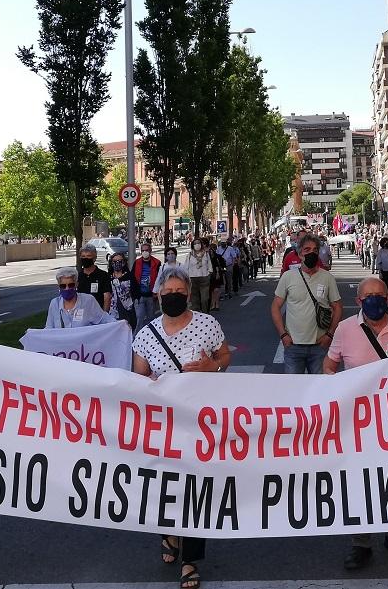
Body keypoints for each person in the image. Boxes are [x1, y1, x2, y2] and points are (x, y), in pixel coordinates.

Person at [132, 272, 231, 589]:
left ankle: (190, 560)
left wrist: (210, 367)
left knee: (195, 489)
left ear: (188, 293)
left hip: (200, 422)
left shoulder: (206, 324)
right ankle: (169, 533)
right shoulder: (146, 334)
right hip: (163, 425)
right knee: (163, 486)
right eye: (167, 290)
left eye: (179, 290)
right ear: (159, 295)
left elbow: (224, 357)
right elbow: (139, 378)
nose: (173, 294)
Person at [324, 278, 388, 570]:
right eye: (368, 296)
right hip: (358, 421)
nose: (374, 300)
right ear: (360, 300)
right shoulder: (345, 329)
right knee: (360, 481)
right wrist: (333, 392)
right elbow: (330, 365)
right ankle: (360, 543)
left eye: (379, 295)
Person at [271, 234, 342, 374]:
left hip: (319, 346)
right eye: (307, 250)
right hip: (293, 346)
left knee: (319, 389)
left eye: (315, 250)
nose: (311, 253)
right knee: (293, 389)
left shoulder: (327, 277)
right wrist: (283, 335)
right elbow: (275, 306)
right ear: (300, 254)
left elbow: (338, 307)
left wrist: (329, 335)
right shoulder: (288, 277)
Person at [45, 267, 114, 328]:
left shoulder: (88, 300)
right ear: (59, 286)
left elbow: (104, 319)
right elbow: (49, 328)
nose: (67, 288)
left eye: (71, 285)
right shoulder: (54, 304)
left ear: (76, 284)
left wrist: (121, 324)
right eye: (63, 286)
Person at [132, 243, 161, 331]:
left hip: (152, 296)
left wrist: (156, 293)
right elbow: (133, 278)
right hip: (140, 295)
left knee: (151, 318)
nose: (145, 252)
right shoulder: (137, 262)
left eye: (146, 250)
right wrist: (135, 295)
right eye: (143, 250)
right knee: (139, 318)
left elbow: (160, 278)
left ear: (150, 251)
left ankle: (152, 336)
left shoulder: (157, 263)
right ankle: (137, 336)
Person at [183, 238, 214, 313]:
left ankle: (205, 313)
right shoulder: (190, 255)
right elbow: (186, 267)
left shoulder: (206, 254)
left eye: (198, 243)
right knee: (194, 300)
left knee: (205, 299)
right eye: (195, 243)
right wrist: (186, 277)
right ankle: (197, 314)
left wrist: (209, 273)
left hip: (204, 278)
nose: (197, 245)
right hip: (193, 278)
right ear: (193, 245)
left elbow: (209, 265)